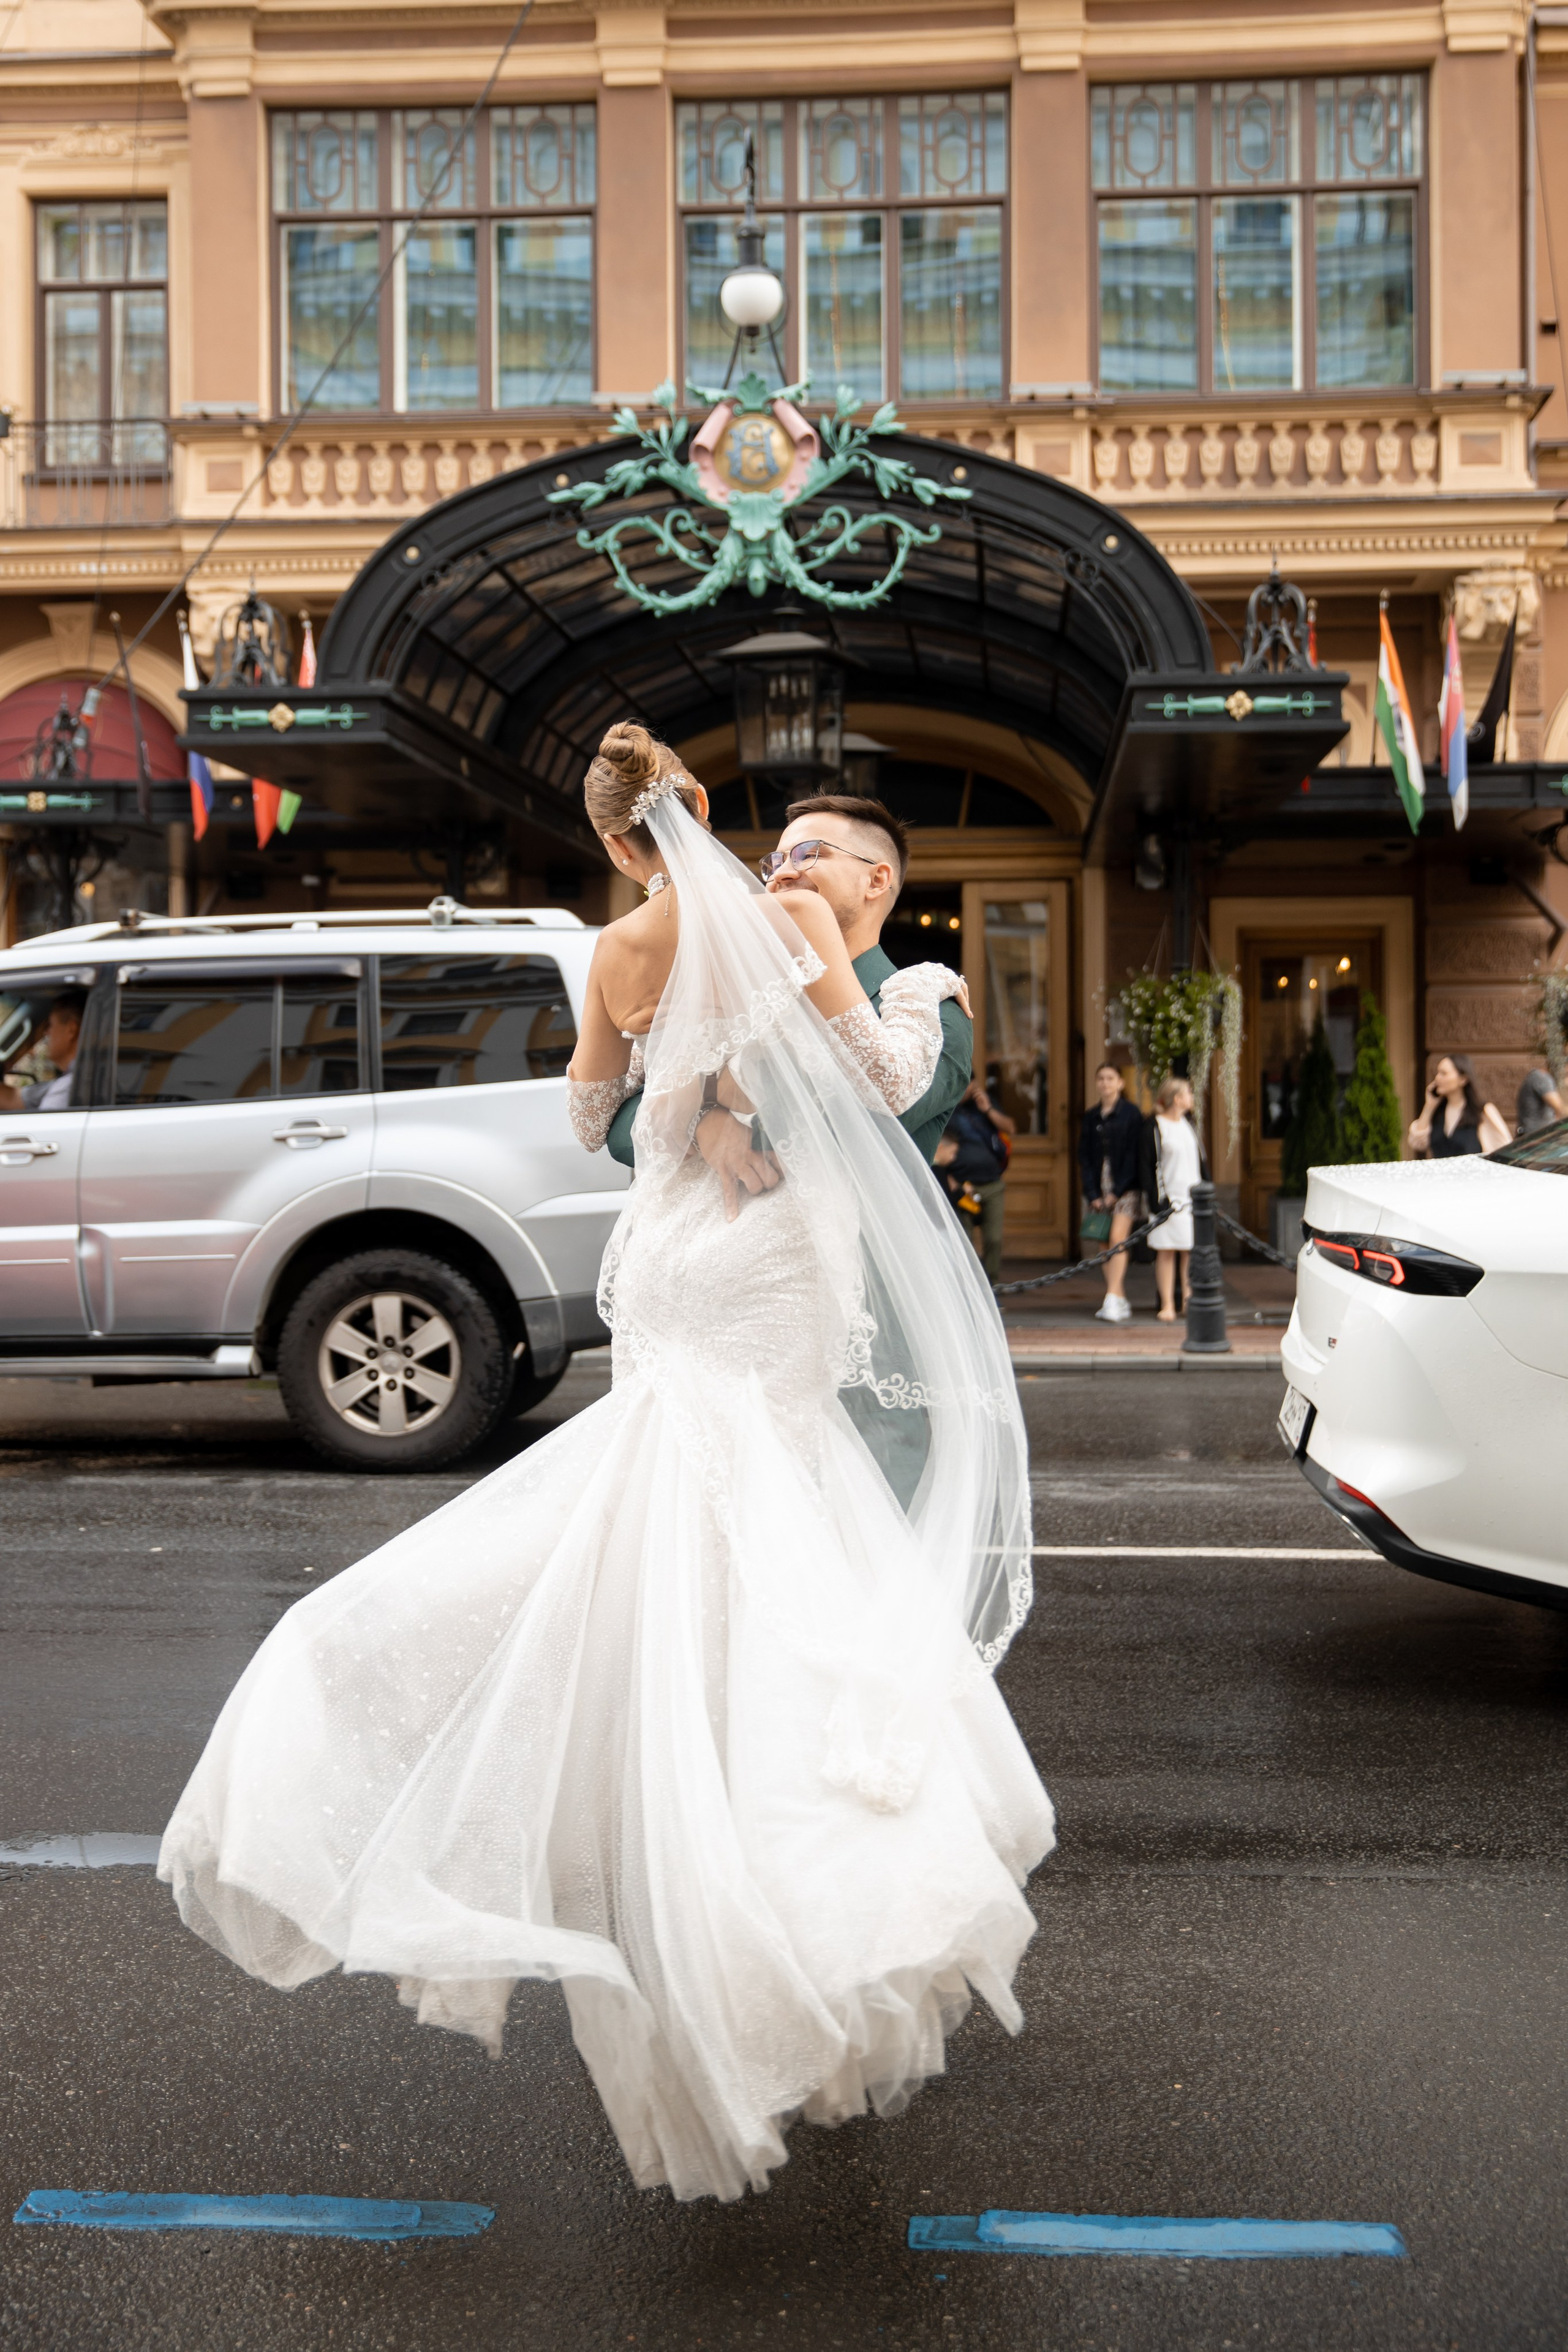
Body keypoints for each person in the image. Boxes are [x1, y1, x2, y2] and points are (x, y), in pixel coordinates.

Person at [159, 724, 1054, 2208]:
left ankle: (672, 1820)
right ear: (705, 825)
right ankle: (759, 1869)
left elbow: (634, 1109)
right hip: (758, 1284)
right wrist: (753, 1077)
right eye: (780, 846)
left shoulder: (698, 956)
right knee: (767, 1549)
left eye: (819, 853)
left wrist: (691, 1087)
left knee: (683, 1543)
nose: (793, 864)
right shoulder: (765, 924)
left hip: (697, 1286)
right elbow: (791, 1093)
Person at [603, 793, 973, 1197]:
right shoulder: (737, 997)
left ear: (876, 880)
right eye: (774, 862)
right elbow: (619, 1129)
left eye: (809, 854)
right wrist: (704, 1126)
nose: (780, 875)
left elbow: (854, 1129)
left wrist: (702, 1111)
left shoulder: (930, 1015)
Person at [1076, 1061, 1144, 1325]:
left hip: (1125, 1186)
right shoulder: (1091, 1116)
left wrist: (1117, 1191)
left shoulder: (1131, 1114)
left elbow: (1133, 1154)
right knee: (1104, 1241)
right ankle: (1119, 1297)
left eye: (1110, 1078)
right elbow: (1085, 1156)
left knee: (1117, 1238)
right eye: (1101, 1078)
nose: (1105, 1083)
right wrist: (1093, 1192)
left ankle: (1112, 1296)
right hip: (1098, 1184)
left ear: (1120, 1083)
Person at [935, 1079, 1013, 1281]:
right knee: (963, 1240)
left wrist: (988, 1110)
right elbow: (938, 1150)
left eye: (967, 1084)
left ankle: (991, 1286)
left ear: (974, 1085)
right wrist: (951, 1183)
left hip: (992, 1184)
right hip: (962, 1185)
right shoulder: (946, 1107)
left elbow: (1010, 1128)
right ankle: (966, 1286)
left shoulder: (984, 1104)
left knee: (994, 1240)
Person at [1140, 1074, 1205, 1322]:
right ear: (1177, 1099)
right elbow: (1150, 1166)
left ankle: (1188, 1300)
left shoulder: (1190, 1123)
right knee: (1166, 1252)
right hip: (1168, 1200)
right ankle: (1167, 1303)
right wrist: (1159, 1201)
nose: (1192, 1097)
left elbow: (1201, 1160)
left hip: (1191, 1198)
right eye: (1188, 1093)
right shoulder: (1155, 1126)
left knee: (1189, 1250)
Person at [1408, 1054, 1510, 1158]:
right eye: (1438, 1073)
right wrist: (1429, 1106)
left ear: (1463, 1079)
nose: (1437, 1078)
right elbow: (1417, 1143)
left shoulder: (1481, 1111)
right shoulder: (1438, 1112)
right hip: (1440, 1174)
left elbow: (1503, 1151)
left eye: (1444, 1074)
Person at [0, 989, 85, 1112]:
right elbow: (13, 1098)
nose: (46, 1033)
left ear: (71, 1030)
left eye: (50, 1025)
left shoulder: (68, 1087)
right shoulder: (71, 1081)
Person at [1516, 1066, 1565, 1136]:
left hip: (1534, 1136)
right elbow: (1560, 1108)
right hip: (1537, 1137)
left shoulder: (1535, 1077)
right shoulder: (1541, 1078)